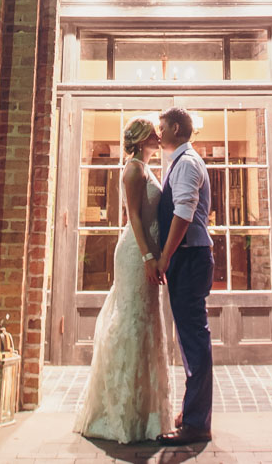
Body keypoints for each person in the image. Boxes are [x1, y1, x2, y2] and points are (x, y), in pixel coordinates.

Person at [73, 116, 171, 443]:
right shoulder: (133, 170)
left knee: (146, 325)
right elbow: (133, 218)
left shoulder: (144, 167)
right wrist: (147, 256)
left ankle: (147, 415)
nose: (159, 140)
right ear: (143, 139)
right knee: (131, 324)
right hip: (135, 253)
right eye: (155, 136)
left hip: (147, 250)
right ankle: (122, 414)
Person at [153, 106, 213, 445]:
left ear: (176, 128)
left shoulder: (187, 163)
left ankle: (195, 424)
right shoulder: (180, 162)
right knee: (191, 339)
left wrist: (164, 258)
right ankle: (194, 414)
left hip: (189, 258)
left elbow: (184, 214)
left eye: (162, 127)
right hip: (186, 258)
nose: (159, 133)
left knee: (194, 341)